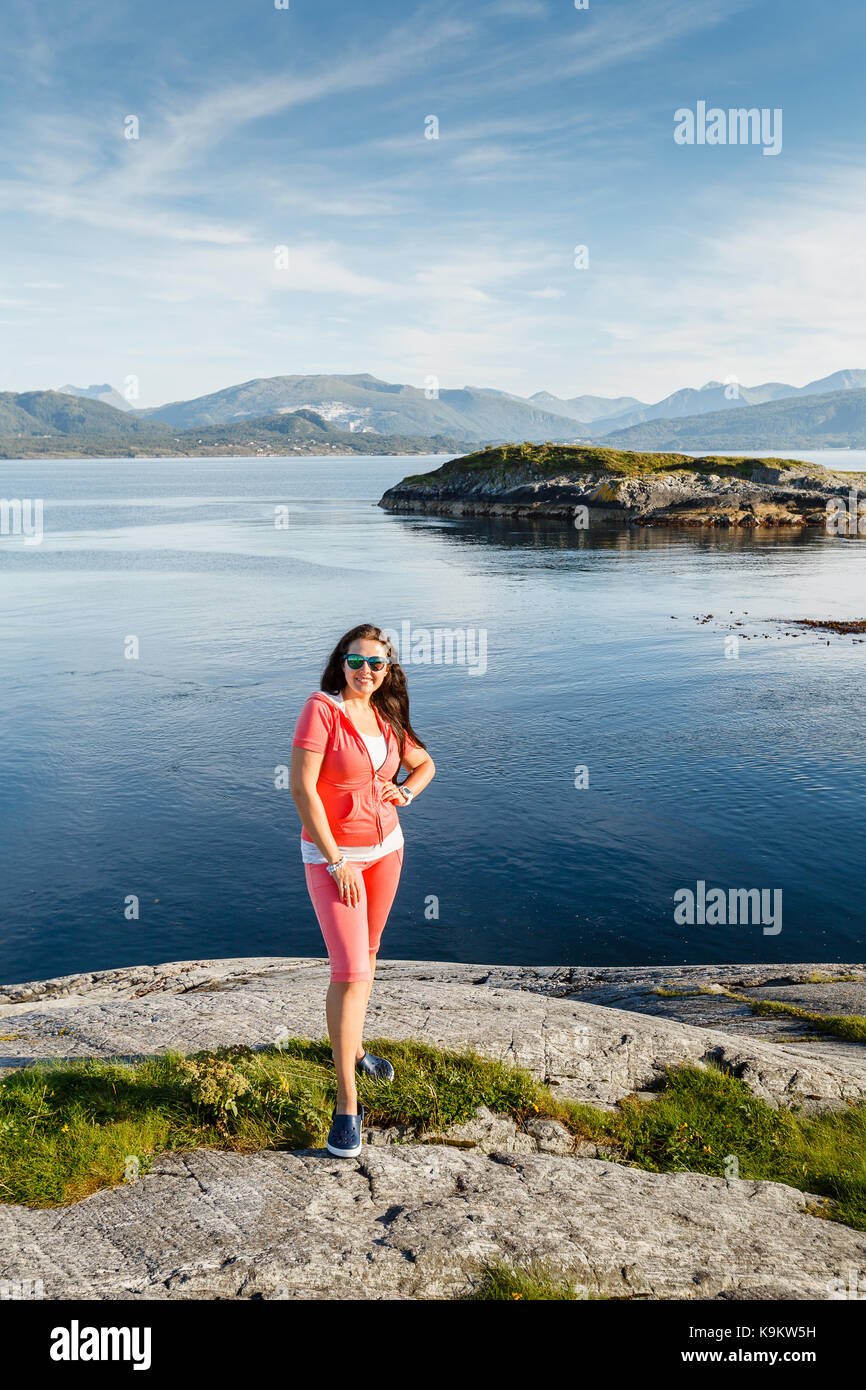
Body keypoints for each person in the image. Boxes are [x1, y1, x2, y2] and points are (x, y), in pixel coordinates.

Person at [290, 623, 435, 1157]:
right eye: (357, 663)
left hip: (388, 851)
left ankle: (354, 1051)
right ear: (341, 663)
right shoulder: (321, 710)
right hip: (334, 859)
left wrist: (405, 792)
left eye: (377, 665)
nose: (366, 673)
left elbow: (425, 765)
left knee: (369, 959)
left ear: (389, 669)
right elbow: (302, 789)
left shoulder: (388, 714)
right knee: (349, 970)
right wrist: (336, 860)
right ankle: (347, 1102)